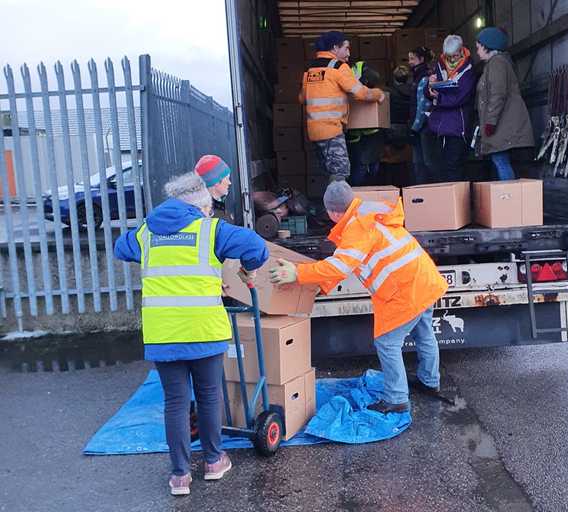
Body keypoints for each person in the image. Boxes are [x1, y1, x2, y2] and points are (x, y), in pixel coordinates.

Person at [114, 172, 269, 496]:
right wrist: (248, 268)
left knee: (175, 402)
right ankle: (214, 462)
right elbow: (256, 245)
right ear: (201, 206)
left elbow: (120, 248)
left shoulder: (145, 232)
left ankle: (180, 476)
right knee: (210, 394)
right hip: (202, 328)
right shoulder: (210, 230)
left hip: (162, 333)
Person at [268, 181, 448, 413]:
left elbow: (341, 265)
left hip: (407, 290)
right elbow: (349, 262)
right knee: (424, 333)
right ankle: (429, 382)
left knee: (387, 343)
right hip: (425, 281)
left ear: (333, 212)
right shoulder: (367, 213)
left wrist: (298, 273)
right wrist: (320, 286)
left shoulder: (357, 227)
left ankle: (397, 399)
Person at [300, 31, 385, 189]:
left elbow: (302, 98)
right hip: (332, 130)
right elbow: (361, 93)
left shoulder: (310, 70)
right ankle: (338, 210)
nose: (349, 53)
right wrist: (378, 94)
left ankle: (329, 208)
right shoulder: (339, 67)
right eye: (346, 48)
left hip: (314, 131)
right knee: (341, 173)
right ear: (334, 48)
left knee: (328, 173)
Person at [475, 27, 534, 180]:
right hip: (503, 126)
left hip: (502, 127)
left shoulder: (497, 64)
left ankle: (508, 198)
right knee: (499, 161)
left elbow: (497, 94)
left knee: (500, 161)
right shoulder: (496, 64)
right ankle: (508, 197)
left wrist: (490, 123)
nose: (477, 51)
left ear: (487, 46)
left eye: (478, 47)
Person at [426, 35, 477, 182]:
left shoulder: (468, 71)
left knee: (454, 166)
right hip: (439, 126)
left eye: (455, 56)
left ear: (461, 51)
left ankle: (457, 201)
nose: (452, 60)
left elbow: (460, 98)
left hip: (458, 126)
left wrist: (438, 97)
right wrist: (430, 88)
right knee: (441, 166)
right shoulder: (440, 65)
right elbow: (429, 91)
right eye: (449, 56)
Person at [346, 60, 386, 186]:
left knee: (369, 165)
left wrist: (363, 82)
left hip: (369, 129)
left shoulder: (358, 67)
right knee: (359, 166)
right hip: (354, 131)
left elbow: (374, 77)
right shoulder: (336, 71)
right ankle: (359, 195)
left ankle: (367, 191)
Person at [408, 46, 436, 184]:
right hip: (420, 127)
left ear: (422, 59)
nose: (409, 62)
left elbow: (423, 105)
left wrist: (414, 127)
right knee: (419, 163)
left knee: (426, 162)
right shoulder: (417, 77)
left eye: (412, 59)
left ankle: (430, 191)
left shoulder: (424, 77)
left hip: (424, 127)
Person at [194, 154, 232, 219]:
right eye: (227, 178)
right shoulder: (206, 213)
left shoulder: (218, 207)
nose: (229, 183)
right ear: (216, 182)